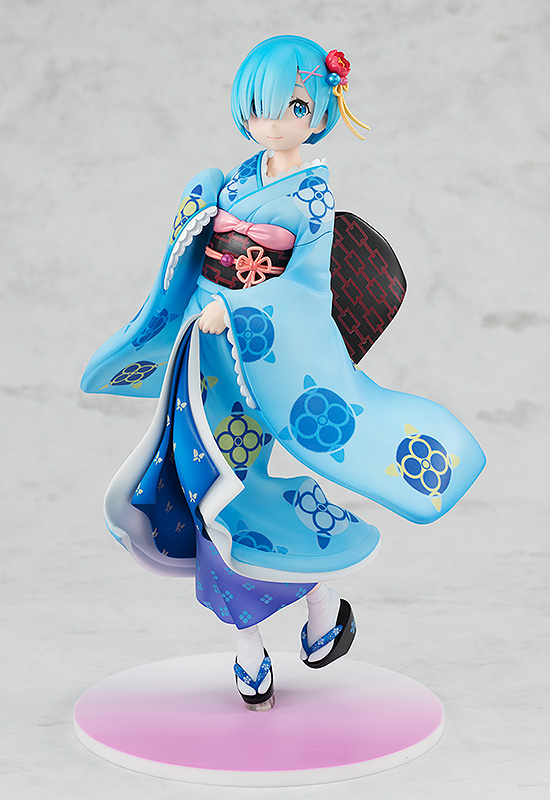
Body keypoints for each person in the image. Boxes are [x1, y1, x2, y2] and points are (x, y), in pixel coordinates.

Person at [81, 36, 485, 711]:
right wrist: (198, 227)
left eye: (293, 107)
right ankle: (315, 612)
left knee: (225, 497)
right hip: (203, 360)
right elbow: (202, 252)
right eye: (259, 107)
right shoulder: (241, 177)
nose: (271, 123)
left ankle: (267, 639)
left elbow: (303, 291)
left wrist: (237, 311)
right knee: (202, 489)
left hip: (255, 364)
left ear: (320, 112)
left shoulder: (311, 199)